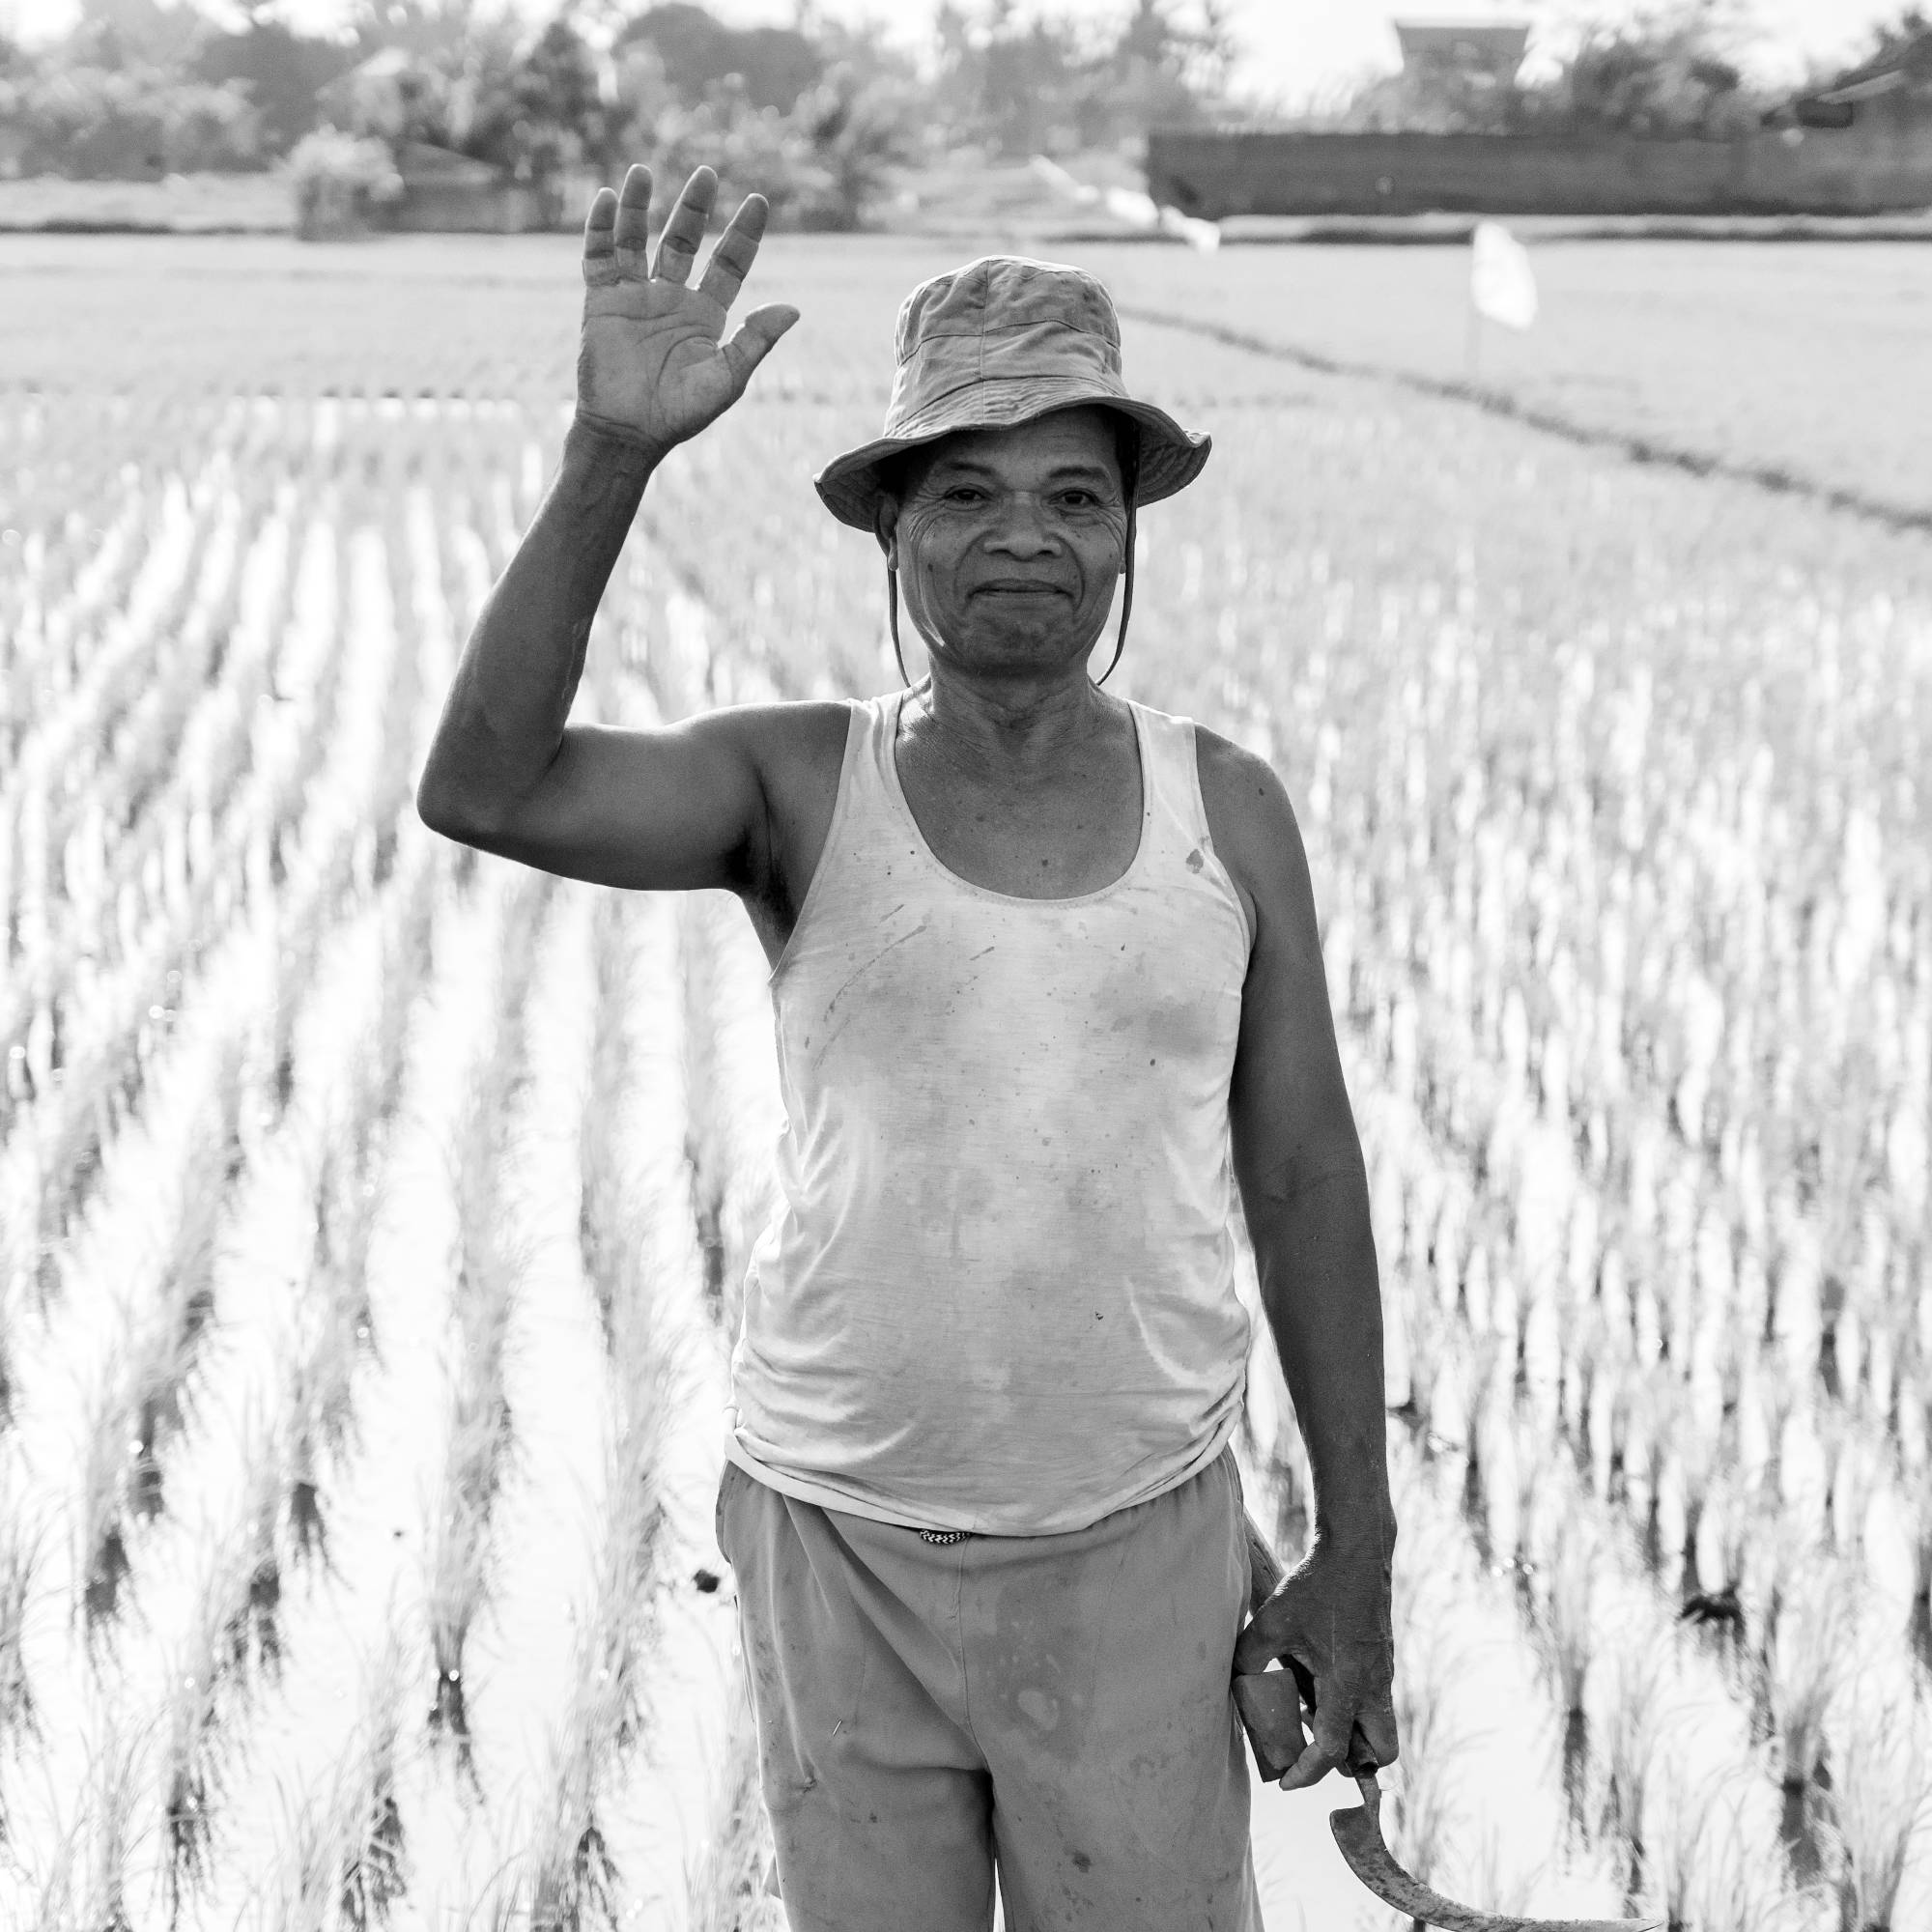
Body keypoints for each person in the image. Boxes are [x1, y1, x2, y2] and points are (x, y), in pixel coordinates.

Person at [416, 162, 1399, 1932]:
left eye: (1071, 496)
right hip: (833, 1535)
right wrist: (611, 458)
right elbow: (486, 788)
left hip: (1134, 1530)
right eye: (968, 492)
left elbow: (1307, 1173)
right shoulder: (798, 782)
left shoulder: (1225, 811)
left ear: (1125, 535)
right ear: (893, 531)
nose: (1023, 535)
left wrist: (1360, 1544)